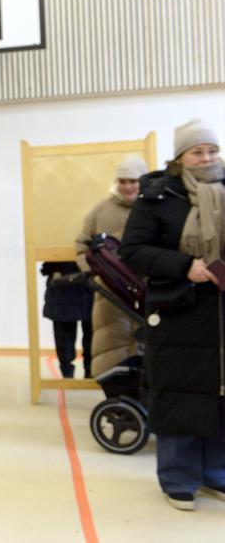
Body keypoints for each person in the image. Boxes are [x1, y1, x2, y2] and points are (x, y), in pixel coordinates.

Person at [120, 118, 225, 512]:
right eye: (197, 151)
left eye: (212, 150)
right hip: (179, 308)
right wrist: (185, 266)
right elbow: (131, 250)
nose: (207, 158)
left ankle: (216, 473)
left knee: (219, 395)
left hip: (220, 312)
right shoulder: (158, 196)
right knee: (180, 394)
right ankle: (178, 478)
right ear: (180, 157)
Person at [74, 155, 148, 377]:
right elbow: (81, 246)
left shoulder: (155, 209)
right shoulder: (100, 211)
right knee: (111, 349)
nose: (127, 186)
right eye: (122, 181)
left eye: (133, 181)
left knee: (145, 349)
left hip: (145, 290)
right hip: (110, 294)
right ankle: (115, 396)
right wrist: (95, 275)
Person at [40, 261, 93, 378]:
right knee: (69, 340)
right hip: (67, 284)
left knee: (84, 339)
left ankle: (74, 375)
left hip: (81, 283)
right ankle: (77, 375)